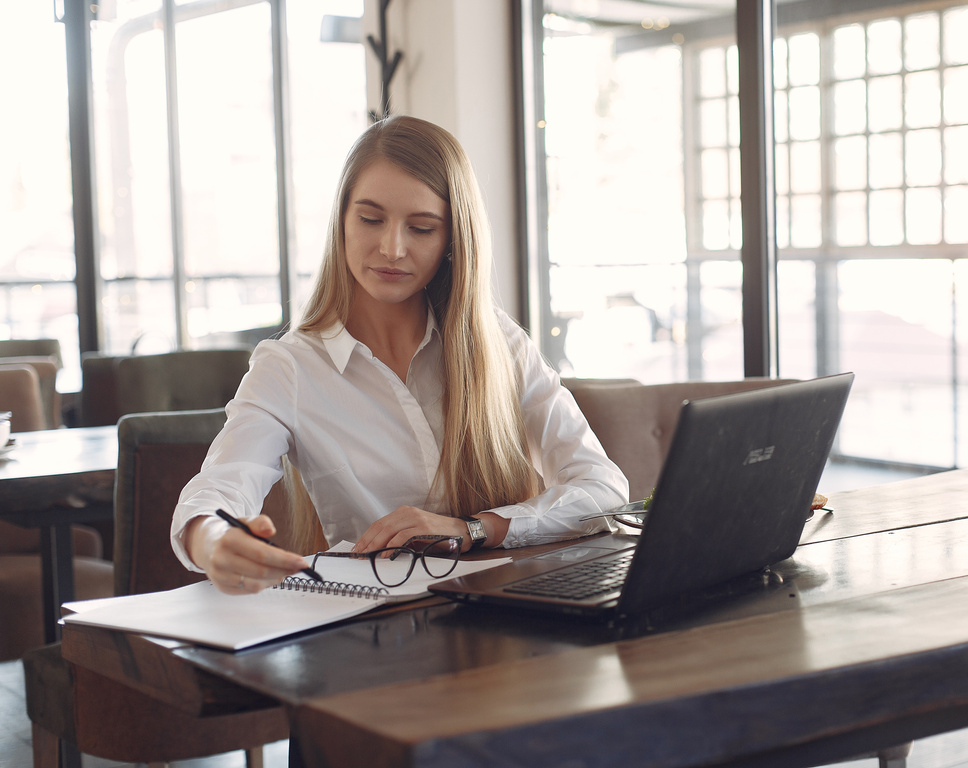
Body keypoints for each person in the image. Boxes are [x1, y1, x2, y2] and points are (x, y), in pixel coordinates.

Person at [170, 115, 628, 594]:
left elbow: (603, 489)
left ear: (453, 240)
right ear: (342, 222)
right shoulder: (289, 368)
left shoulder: (500, 345)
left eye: (422, 228)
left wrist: (475, 528)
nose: (391, 248)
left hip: (509, 614)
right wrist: (215, 540)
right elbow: (218, 489)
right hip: (377, 628)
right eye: (370, 219)